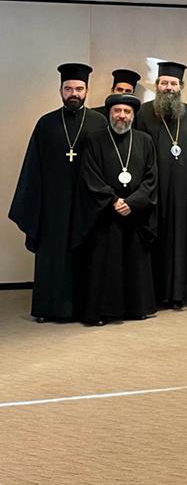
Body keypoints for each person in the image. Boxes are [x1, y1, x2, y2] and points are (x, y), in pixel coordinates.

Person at [9, 63, 106, 321]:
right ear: (60, 90)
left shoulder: (99, 122)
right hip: (53, 206)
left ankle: (86, 309)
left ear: (87, 91)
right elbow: (33, 167)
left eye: (79, 88)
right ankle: (47, 309)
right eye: (68, 89)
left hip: (88, 205)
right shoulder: (46, 123)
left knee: (86, 255)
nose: (73, 93)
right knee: (53, 258)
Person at [74, 94, 157, 326]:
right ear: (109, 113)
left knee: (134, 261)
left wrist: (133, 202)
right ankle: (102, 312)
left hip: (134, 215)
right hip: (105, 215)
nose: (122, 116)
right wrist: (113, 200)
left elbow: (151, 179)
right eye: (117, 111)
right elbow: (89, 175)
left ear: (133, 115)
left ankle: (136, 308)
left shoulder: (144, 140)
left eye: (127, 112)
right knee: (105, 264)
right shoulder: (94, 139)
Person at [134, 60, 187, 309]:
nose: (168, 87)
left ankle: (178, 293)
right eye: (164, 83)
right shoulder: (143, 113)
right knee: (155, 239)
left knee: (180, 240)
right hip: (152, 191)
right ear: (157, 85)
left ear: (181, 87)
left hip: (183, 192)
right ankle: (153, 293)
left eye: (173, 83)